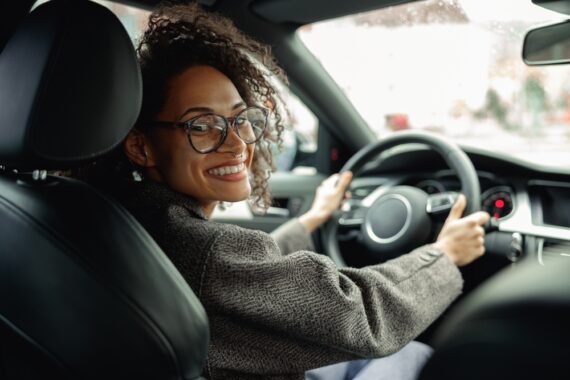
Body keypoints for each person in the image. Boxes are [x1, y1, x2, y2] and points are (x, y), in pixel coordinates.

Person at [79, 3, 489, 379]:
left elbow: (244, 281)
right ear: (140, 145)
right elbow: (362, 316)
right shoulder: (201, 250)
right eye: (202, 125)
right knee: (415, 358)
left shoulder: (111, 216)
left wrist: (310, 220)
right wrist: (443, 256)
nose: (237, 143)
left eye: (241, 120)